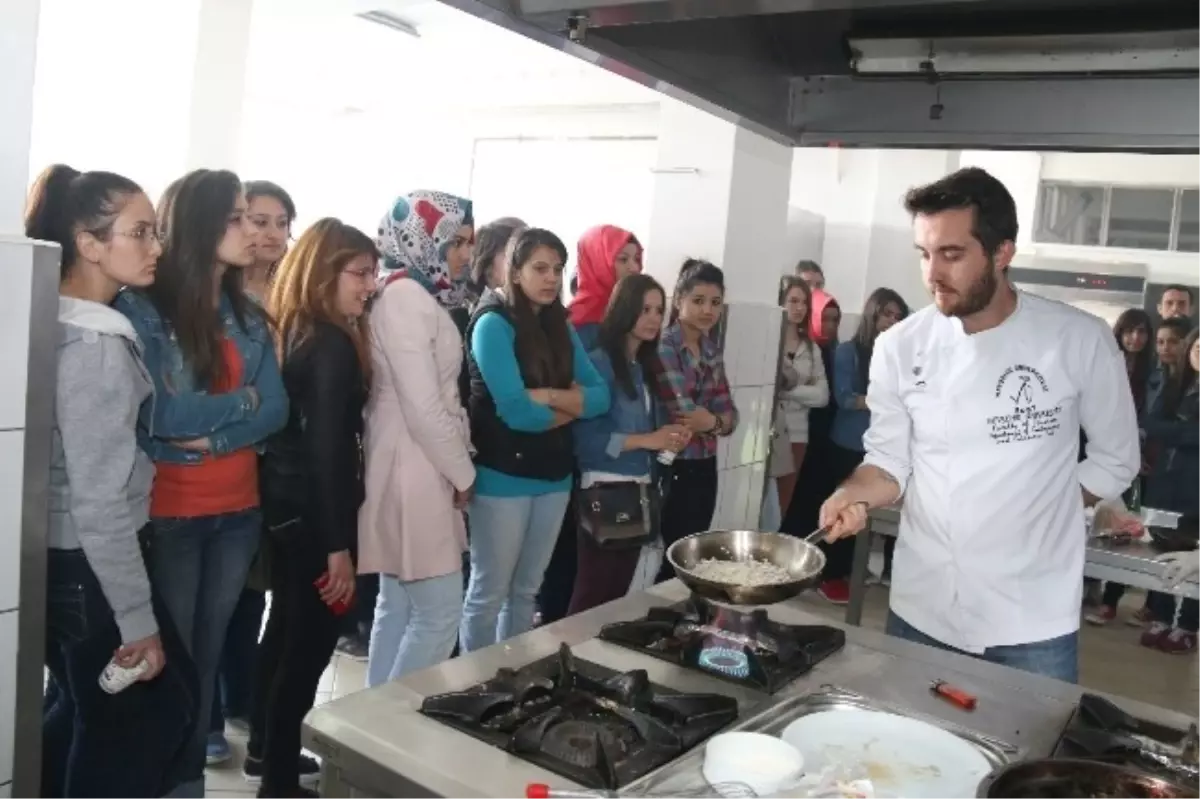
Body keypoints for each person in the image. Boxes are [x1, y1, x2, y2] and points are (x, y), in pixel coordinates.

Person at [819, 167, 1140, 684]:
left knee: (1028, 762)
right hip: (921, 608)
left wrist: (1047, 504)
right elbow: (886, 461)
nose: (932, 274)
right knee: (911, 755)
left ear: (1001, 252)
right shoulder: (900, 346)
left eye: (951, 254)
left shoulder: (1078, 339)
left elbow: (1116, 458)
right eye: (924, 254)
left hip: (1031, 616)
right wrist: (850, 494)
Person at [116, 169, 289, 798]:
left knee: (208, 657)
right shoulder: (144, 309)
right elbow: (160, 415)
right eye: (237, 218)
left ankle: (187, 782)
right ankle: (158, 780)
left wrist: (219, 431)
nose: (252, 231)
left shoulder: (246, 312)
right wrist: (244, 405)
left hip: (238, 510)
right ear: (199, 225)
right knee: (173, 663)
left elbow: (277, 408)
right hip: (172, 511)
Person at [30, 165, 198, 799]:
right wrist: (135, 619)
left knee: (82, 709)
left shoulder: (55, 320)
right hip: (88, 566)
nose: (156, 247)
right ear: (89, 243)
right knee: (138, 725)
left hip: (60, 558)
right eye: (140, 232)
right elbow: (99, 501)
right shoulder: (94, 347)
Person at [242, 219, 376, 797]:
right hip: (313, 514)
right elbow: (327, 451)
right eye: (360, 273)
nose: (370, 285)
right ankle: (276, 781)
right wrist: (337, 548)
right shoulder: (328, 342)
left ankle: (267, 756)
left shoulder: (300, 327)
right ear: (325, 272)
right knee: (308, 647)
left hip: (287, 506)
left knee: (285, 636)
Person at [460, 228, 610, 652]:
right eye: (540, 269)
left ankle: (510, 676)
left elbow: (600, 396)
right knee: (488, 593)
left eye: (558, 270)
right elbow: (516, 414)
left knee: (526, 592)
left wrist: (548, 397)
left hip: (553, 477)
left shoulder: (557, 322)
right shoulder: (492, 323)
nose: (551, 279)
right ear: (515, 270)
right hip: (502, 476)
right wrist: (570, 408)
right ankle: (473, 683)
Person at [359, 191, 477, 684]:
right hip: (417, 462)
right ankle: (390, 726)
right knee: (438, 612)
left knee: (401, 605)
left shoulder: (411, 291)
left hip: (412, 456)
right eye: (457, 241)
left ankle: (369, 726)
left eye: (470, 242)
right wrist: (463, 472)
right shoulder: (406, 296)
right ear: (424, 238)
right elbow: (423, 405)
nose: (467, 253)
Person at [208, 179, 296, 764]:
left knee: (258, 595)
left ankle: (242, 697)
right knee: (225, 598)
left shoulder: (296, 297)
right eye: (256, 220)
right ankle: (211, 717)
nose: (267, 233)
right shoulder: (216, 299)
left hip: (281, 466)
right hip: (226, 463)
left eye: (280, 222)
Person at [539, 225, 645, 625]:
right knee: (569, 570)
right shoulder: (579, 324)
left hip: (610, 464)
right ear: (597, 261)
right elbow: (575, 398)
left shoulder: (629, 328)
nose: (632, 268)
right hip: (572, 458)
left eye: (637, 259)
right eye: (622, 258)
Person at [569, 274, 689, 612]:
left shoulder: (646, 368)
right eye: (644, 309)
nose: (653, 318)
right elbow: (586, 443)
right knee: (592, 592)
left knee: (617, 594)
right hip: (604, 488)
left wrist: (670, 440)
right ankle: (570, 657)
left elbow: (651, 435)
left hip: (641, 489)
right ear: (624, 310)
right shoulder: (599, 363)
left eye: (659, 310)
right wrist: (649, 439)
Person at [820, 288, 909, 602]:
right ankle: (832, 576)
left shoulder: (902, 356)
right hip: (848, 443)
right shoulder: (849, 351)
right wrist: (887, 400)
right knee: (844, 514)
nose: (892, 322)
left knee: (878, 513)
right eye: (886, 314)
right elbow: (844, 398)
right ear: (872, 315)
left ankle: (872, 572)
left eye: (898, 317)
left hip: (887, 450)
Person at [652, 259, 738, 582]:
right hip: (672, 465)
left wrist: (711, 423)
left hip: (705, 462)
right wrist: (711, 421)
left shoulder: (712, 350)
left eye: (715, 303)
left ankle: (679, 622)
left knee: (692, 556)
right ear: (679, 300)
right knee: (674, 558)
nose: (708, 311)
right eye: (698, 301)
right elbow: (684, 412)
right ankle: (661, 622)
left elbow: (731, 416)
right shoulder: (665, 346)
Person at [1085, 308, 1154, 626]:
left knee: (1127, 530)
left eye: (1141, 332)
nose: (1134, 338)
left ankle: (1113, 600)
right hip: (1098, 457)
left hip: (1137, 464)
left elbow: (1150, 422)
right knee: (1098, 522)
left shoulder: (1154, 374)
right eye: (1129, 331)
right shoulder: (1103, 364)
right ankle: (1090, 590)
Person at [1139, 327, 1200, 654]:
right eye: (1198, 347)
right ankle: (1160, 615)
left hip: (1196, 488)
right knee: (1162, 549)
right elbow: (1150, 422)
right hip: (1165, 482)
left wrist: (1178, 431)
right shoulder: (1174, 384)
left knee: (1195, 556)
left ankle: (1188, 626)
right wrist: (1186, 431)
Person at [773, 276, 829, 518]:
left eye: (804, 302)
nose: (798, 308)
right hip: (769, 430)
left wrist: (787, 391)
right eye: (792, 301)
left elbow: (822, 396)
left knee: (782, 505)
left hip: (797, 432)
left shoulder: (811, 348)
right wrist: (803, 391)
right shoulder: (771, 341)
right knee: (760, 502)